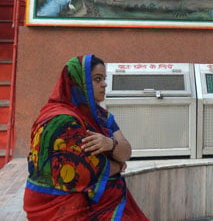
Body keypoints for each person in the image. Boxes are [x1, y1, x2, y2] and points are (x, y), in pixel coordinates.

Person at [23, 54, 149, 220]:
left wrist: (110, 144)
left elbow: (126, 151)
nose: (104, 84)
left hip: (97, 201)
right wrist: (117, 166)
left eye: (104, 79)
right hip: (60, 205)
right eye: (97, 79)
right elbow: (82, 172)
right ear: (77, 83)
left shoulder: (101, 117)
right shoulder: (61, 121)